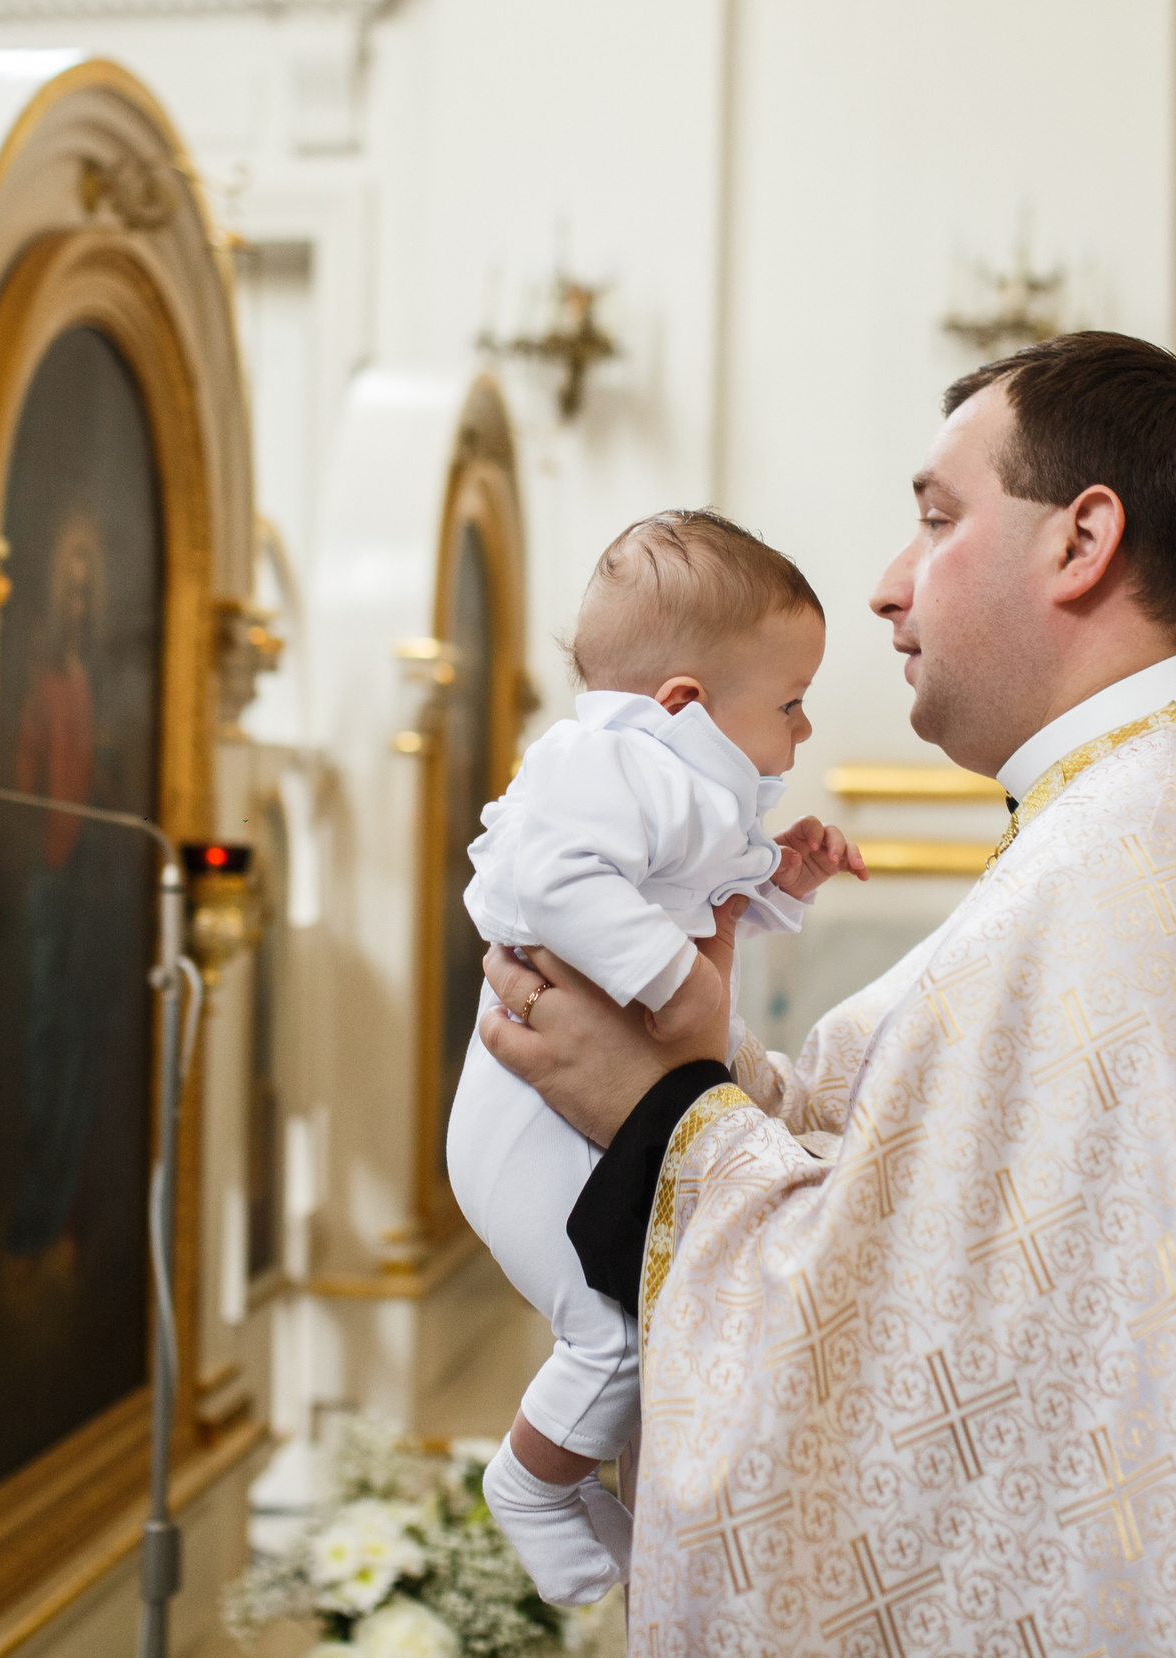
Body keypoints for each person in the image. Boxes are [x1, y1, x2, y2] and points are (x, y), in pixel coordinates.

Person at [482, 332, 1176, 1651]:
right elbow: (943, 1194)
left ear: (1083, 537)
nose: (889, 587)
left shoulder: (1140, 854)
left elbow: (912, 1379)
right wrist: (719, 1063)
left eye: (937, 518)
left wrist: (662, 1110)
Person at [455, 510, 868, 1605]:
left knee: (650, 1318)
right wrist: (673, 981)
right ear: (683, 701)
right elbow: (548, 886)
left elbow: (704, 896)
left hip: (589, 1089)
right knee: (617, 1331)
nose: (805, 726)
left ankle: (583, 1488)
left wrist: (779, 875)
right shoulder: (598, 764)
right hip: (524, 1108)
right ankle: (528, 1486)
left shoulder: (678, 784)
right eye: (786, 703)